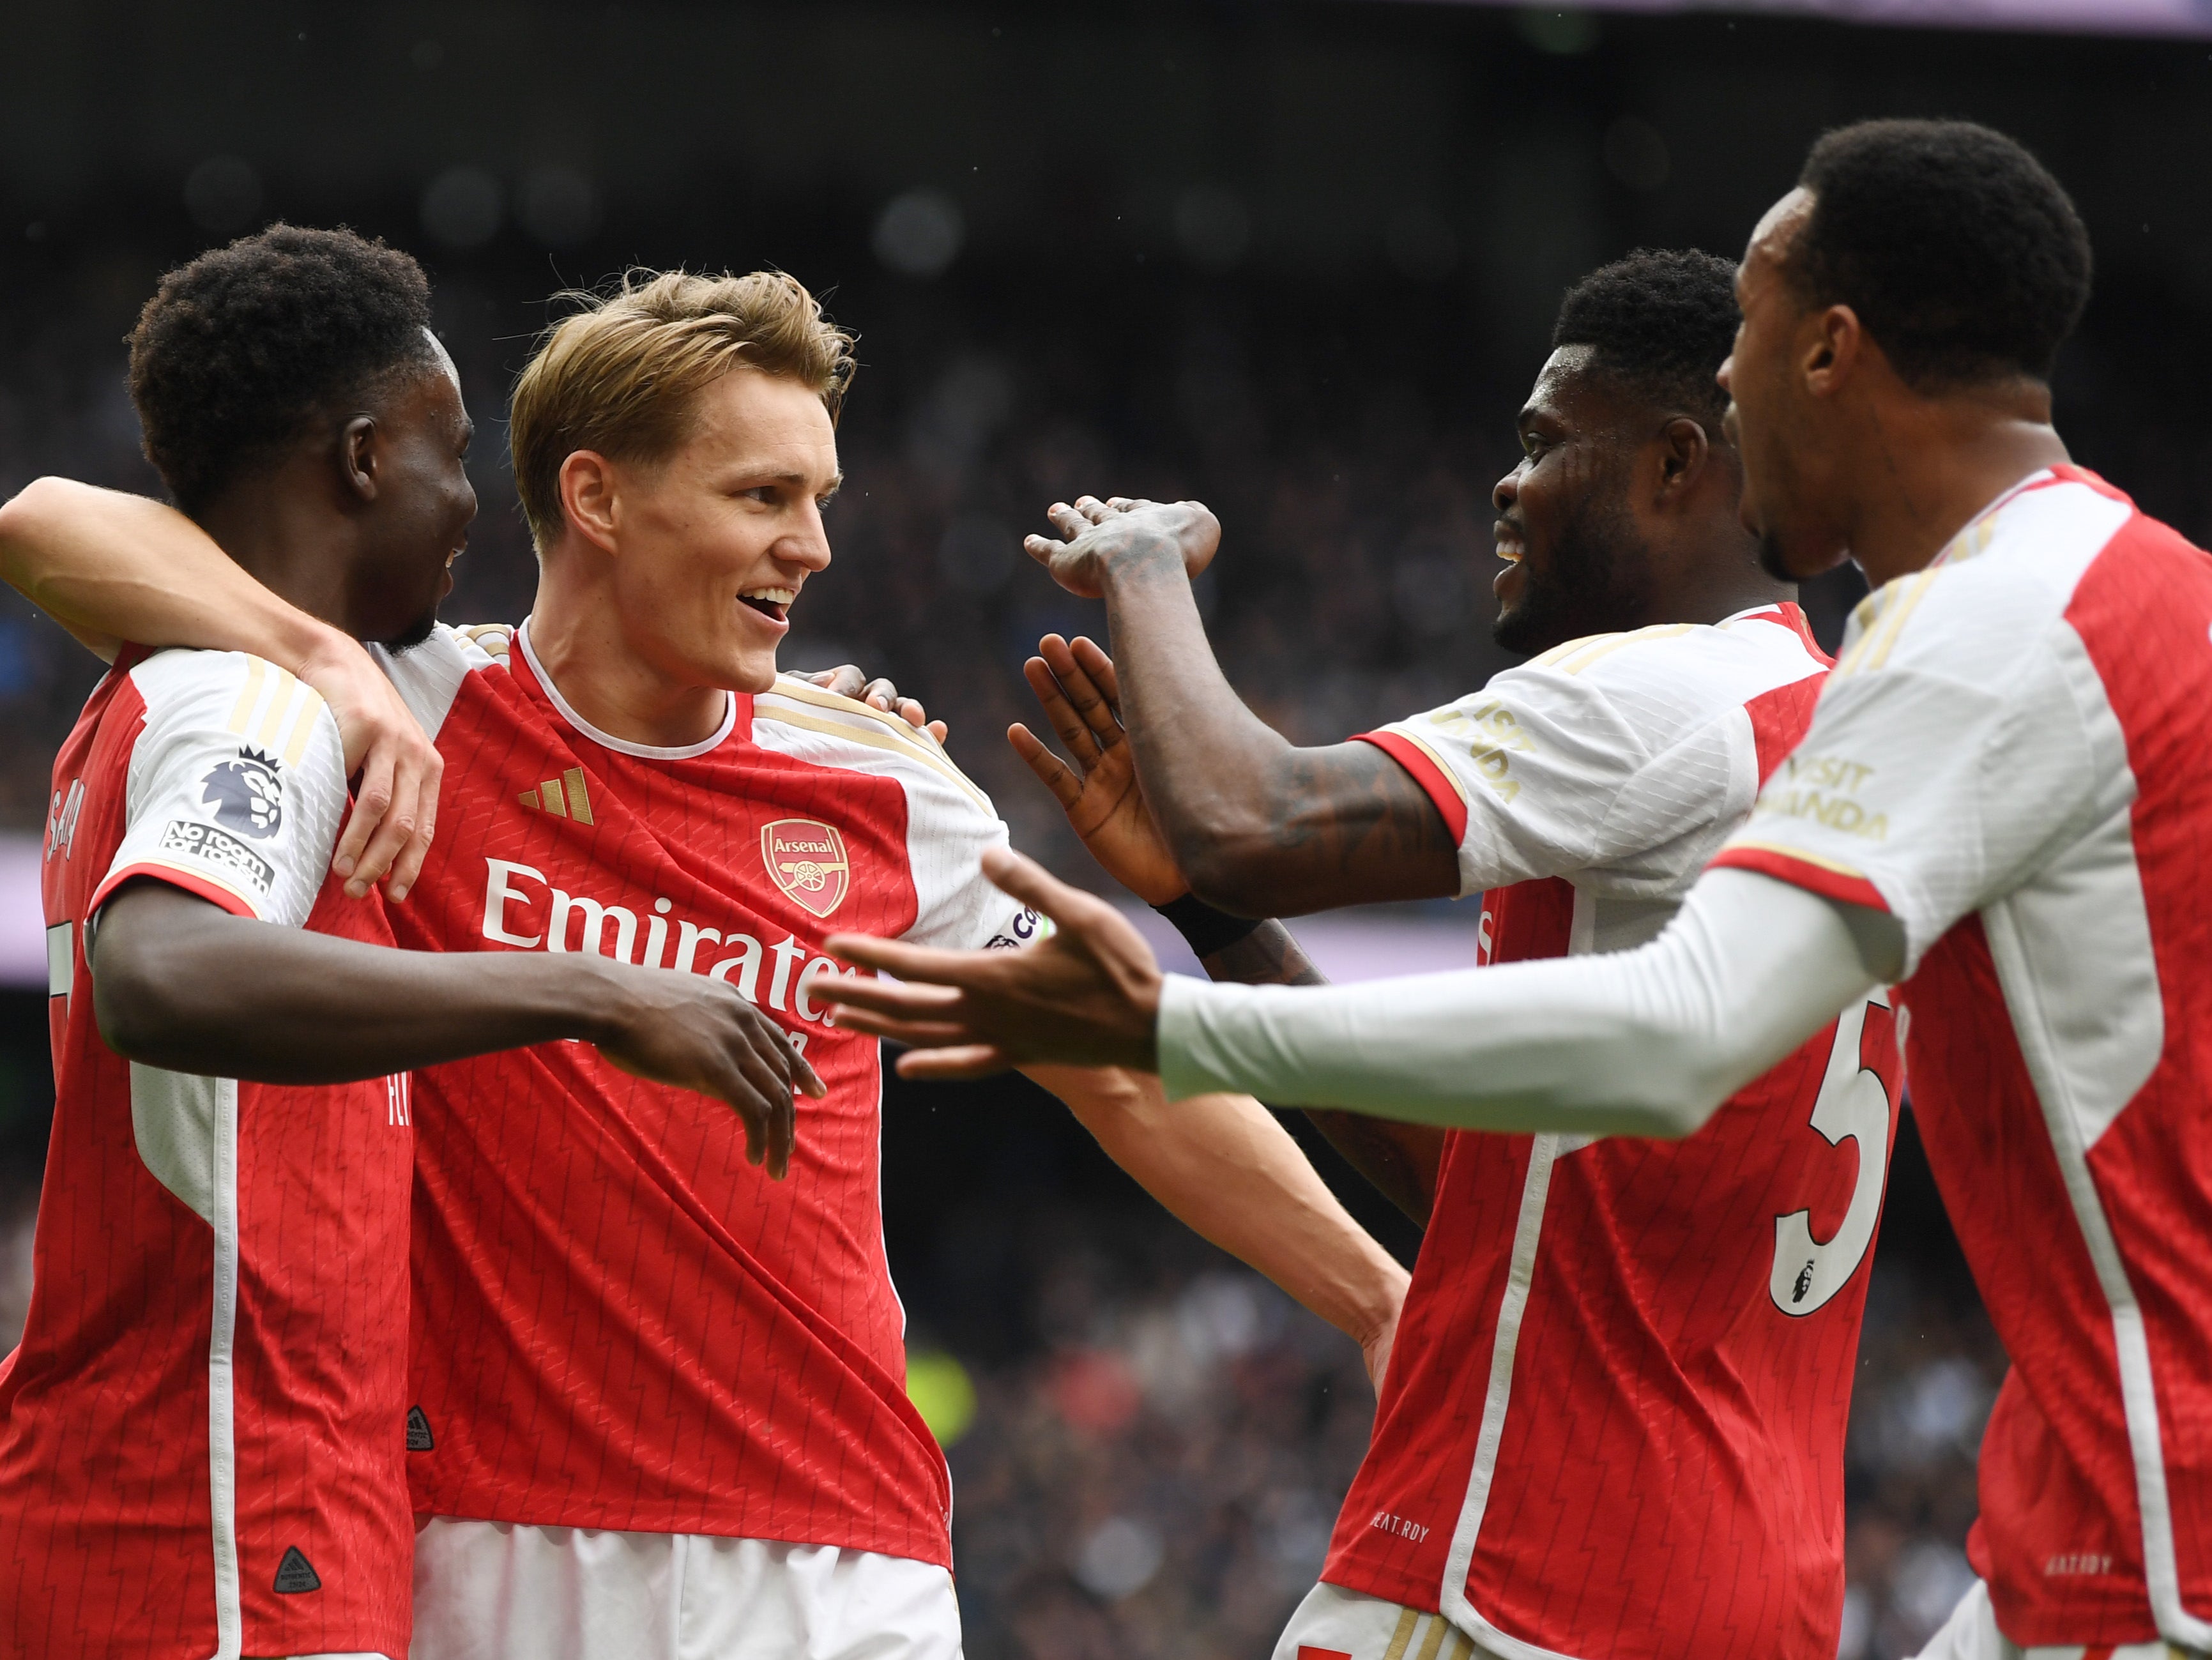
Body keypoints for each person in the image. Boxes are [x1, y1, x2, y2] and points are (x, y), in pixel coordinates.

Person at [820, 119, 2212, 1660]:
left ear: (1825, 351)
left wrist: (1174, 1025)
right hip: (1890, 1563)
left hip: (1577, 1566)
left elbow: (1654, 1026)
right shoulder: (2088, 621)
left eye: (1744, 341)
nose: (1736, 391)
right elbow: (1522, 1169)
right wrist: (1221, 938)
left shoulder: (1912, 648)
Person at [1, 266, 1408, 1660]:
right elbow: (45, 520)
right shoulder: (411, 712)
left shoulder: (881, 777)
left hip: (839, 1558)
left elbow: (1112, 1070)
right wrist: (320, 654)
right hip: (491, 1549)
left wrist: (1374, 1297)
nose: (814, 547)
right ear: (601, 499)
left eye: (821, 501)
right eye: (762, 498)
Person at [997, 250, 1904, 1660]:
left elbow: (1250, 813)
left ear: (1675, 465)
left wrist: (1142, 568)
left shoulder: (1663, 693)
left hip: (1520, 1566)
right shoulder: (1846, 737)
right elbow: (1479, 1185)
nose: (1505, 483)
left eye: (1545, 442)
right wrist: (1218, 919)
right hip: (1748, 1587)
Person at [0, 227, 828, 1660]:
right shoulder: (252, 707)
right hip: (220, 1519)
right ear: (364, 458)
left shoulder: (176, 686)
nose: (469, 506)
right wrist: (591, 990)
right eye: (452, 457)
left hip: (207, 1503)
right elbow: (166, 970)